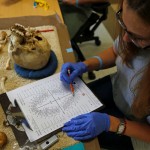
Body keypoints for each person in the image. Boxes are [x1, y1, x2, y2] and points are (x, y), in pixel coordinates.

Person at [60, 0, 150, 149]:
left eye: (138, 37)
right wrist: (84, 65)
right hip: (117, 88)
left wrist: (112, 123)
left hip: (136, 126)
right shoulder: (132, 30)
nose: (126, 39)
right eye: (124, 26)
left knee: (74, 139)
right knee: (68, 107)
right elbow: (117, 51)